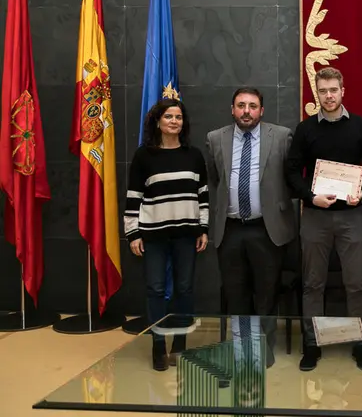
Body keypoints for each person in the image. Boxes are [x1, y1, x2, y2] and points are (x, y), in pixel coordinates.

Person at [285, 67, 362, 371]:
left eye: (333, 90)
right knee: (312, 284)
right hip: (315, 217)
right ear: (317, 93)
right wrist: (310, 197)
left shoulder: (360, 127)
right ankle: (312, 344)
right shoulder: (305, 129)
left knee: (356, 285)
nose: (328, 96)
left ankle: (360, 344)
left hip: (352, 217)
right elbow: (291, 171)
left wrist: (360, 193)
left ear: (342, 90)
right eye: (322, 91)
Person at [205, 88, 296, 366]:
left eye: (253, 106)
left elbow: (290, 176)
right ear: (232, 109)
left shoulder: (281, 136)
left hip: (267, 228)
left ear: (262, 111)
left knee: (267, 293)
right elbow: (215, 179)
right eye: (241, 105)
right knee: (236, 293)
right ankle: (242, 350)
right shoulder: (215, 138)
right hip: (230, 228)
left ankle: (263, 350)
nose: (247, 111)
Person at [124, 98, 209, 371]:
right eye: (169, 116)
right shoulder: (144, 155)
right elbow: (133, 197)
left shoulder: (194, 155)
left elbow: (203, 196)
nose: (174, 121)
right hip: (153, 236)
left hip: (187, 234)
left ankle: (180, 347)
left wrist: (203, 228)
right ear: (158, 121)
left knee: (184, 290)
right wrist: (132, 233)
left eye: (179, 117)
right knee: (156, 290)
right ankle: (158, 347)